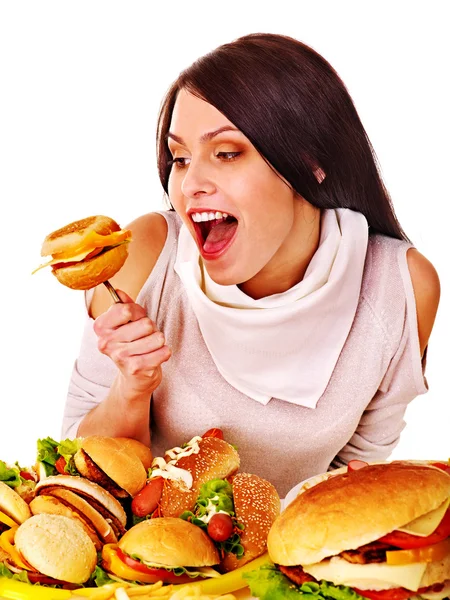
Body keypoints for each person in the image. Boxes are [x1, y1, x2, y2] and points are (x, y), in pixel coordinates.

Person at [61, 33, 440, 497]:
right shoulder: (142, 257)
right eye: (180, 158)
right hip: (137, 559)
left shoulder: (401, 289)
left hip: (284, 563)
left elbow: (353, 483)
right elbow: (74, 471)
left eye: (226, 153)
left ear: (311, 159)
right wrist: (131, 389)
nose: (190, 184)